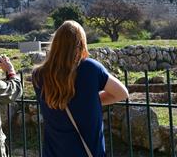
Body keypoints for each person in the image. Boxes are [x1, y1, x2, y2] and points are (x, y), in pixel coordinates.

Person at [32, 20, 129, 157]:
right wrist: (91, 101)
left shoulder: (38, 75)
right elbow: (122, 93)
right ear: (81, 44)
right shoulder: (90, 68)